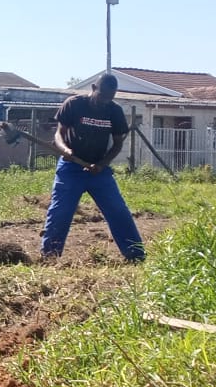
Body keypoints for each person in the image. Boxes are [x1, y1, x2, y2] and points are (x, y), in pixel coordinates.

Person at [40, 73, 145, 263]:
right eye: (102, 96)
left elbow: (117, 144)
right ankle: (50, 256)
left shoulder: (114, 111)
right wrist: (65, 150)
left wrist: (102, 164)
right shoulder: (74, 104)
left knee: (118, 211)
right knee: (60, 211)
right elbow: (59, 134)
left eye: (109, 98)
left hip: (99, 171)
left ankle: (135, 255)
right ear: (94, 89)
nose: (104, 101)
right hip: (71, 168)